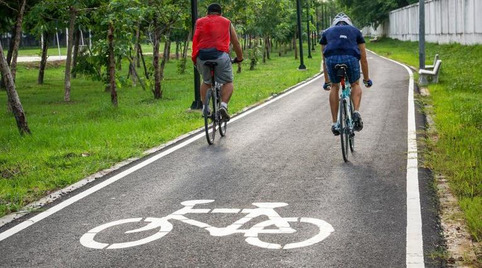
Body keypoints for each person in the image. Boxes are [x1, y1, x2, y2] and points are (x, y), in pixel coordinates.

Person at [319, 13, 373, 136]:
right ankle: (356, 112)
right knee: (354, 84)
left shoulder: (326, 33)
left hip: (331, 60)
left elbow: (324, 59)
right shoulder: (355, 31)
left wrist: (327, 81)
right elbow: (363, 58)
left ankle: (335, 123)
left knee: (334, 86)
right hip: (350, 58)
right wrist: (366, 79)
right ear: (349, 23)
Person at [192, 3, 243, 121]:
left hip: (202, 57)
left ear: (207, 13)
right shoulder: (226, 22)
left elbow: (196, 39)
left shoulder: (199, 22)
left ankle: (205, 107)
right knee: (228, 82)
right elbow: (236, 43)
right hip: (220, 56)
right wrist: (239, 58)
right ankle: (224, 106)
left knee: (206, 81)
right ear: (220, 13)